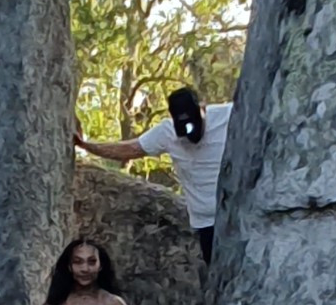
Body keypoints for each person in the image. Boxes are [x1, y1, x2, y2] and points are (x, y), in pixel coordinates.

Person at [75, 84, 234, 263]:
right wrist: (86, 145)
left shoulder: (229, 116)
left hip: (235, 214)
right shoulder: (166, 132)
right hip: (206, 224)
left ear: (202, 108)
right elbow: (129, 149)